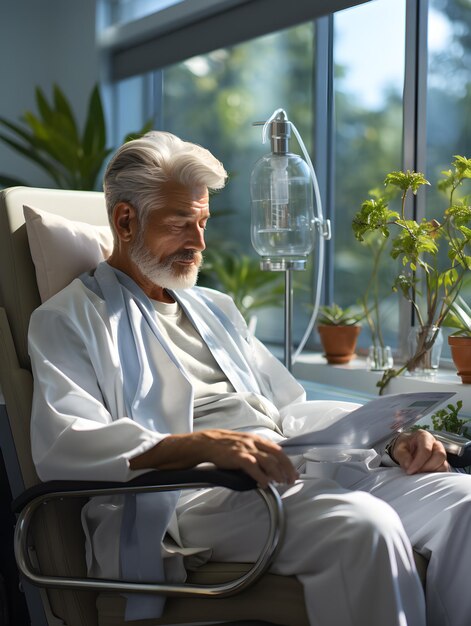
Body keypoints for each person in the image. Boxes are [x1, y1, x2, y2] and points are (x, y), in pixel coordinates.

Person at [28, 130, 471, 626]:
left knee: (464, 501)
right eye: (180, 225)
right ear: (125, 220)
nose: (198, 243)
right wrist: (200, 445)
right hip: (192, 492)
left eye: (202, 223)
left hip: (286, 468)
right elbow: (65, 442)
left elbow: (289, 409)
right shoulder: (69, 318)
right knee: (363, 525)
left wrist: (391, 434)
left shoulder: (214, 309)